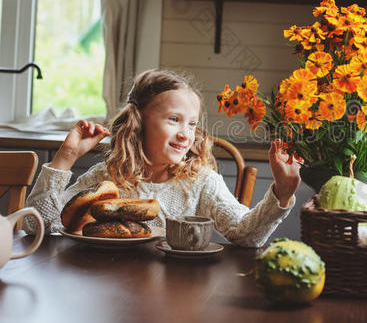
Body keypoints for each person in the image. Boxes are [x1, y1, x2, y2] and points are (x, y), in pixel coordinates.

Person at [24, 69, 301, 247]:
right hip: (109, 286)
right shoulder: (106, 178)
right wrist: (66, 156)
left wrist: (282, 194)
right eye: (174, 120)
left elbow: (247, 235)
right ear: (139, 122)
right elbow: (34, 225)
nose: (185, 134)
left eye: (191, 124)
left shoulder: (201, 182)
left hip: (179, 293)